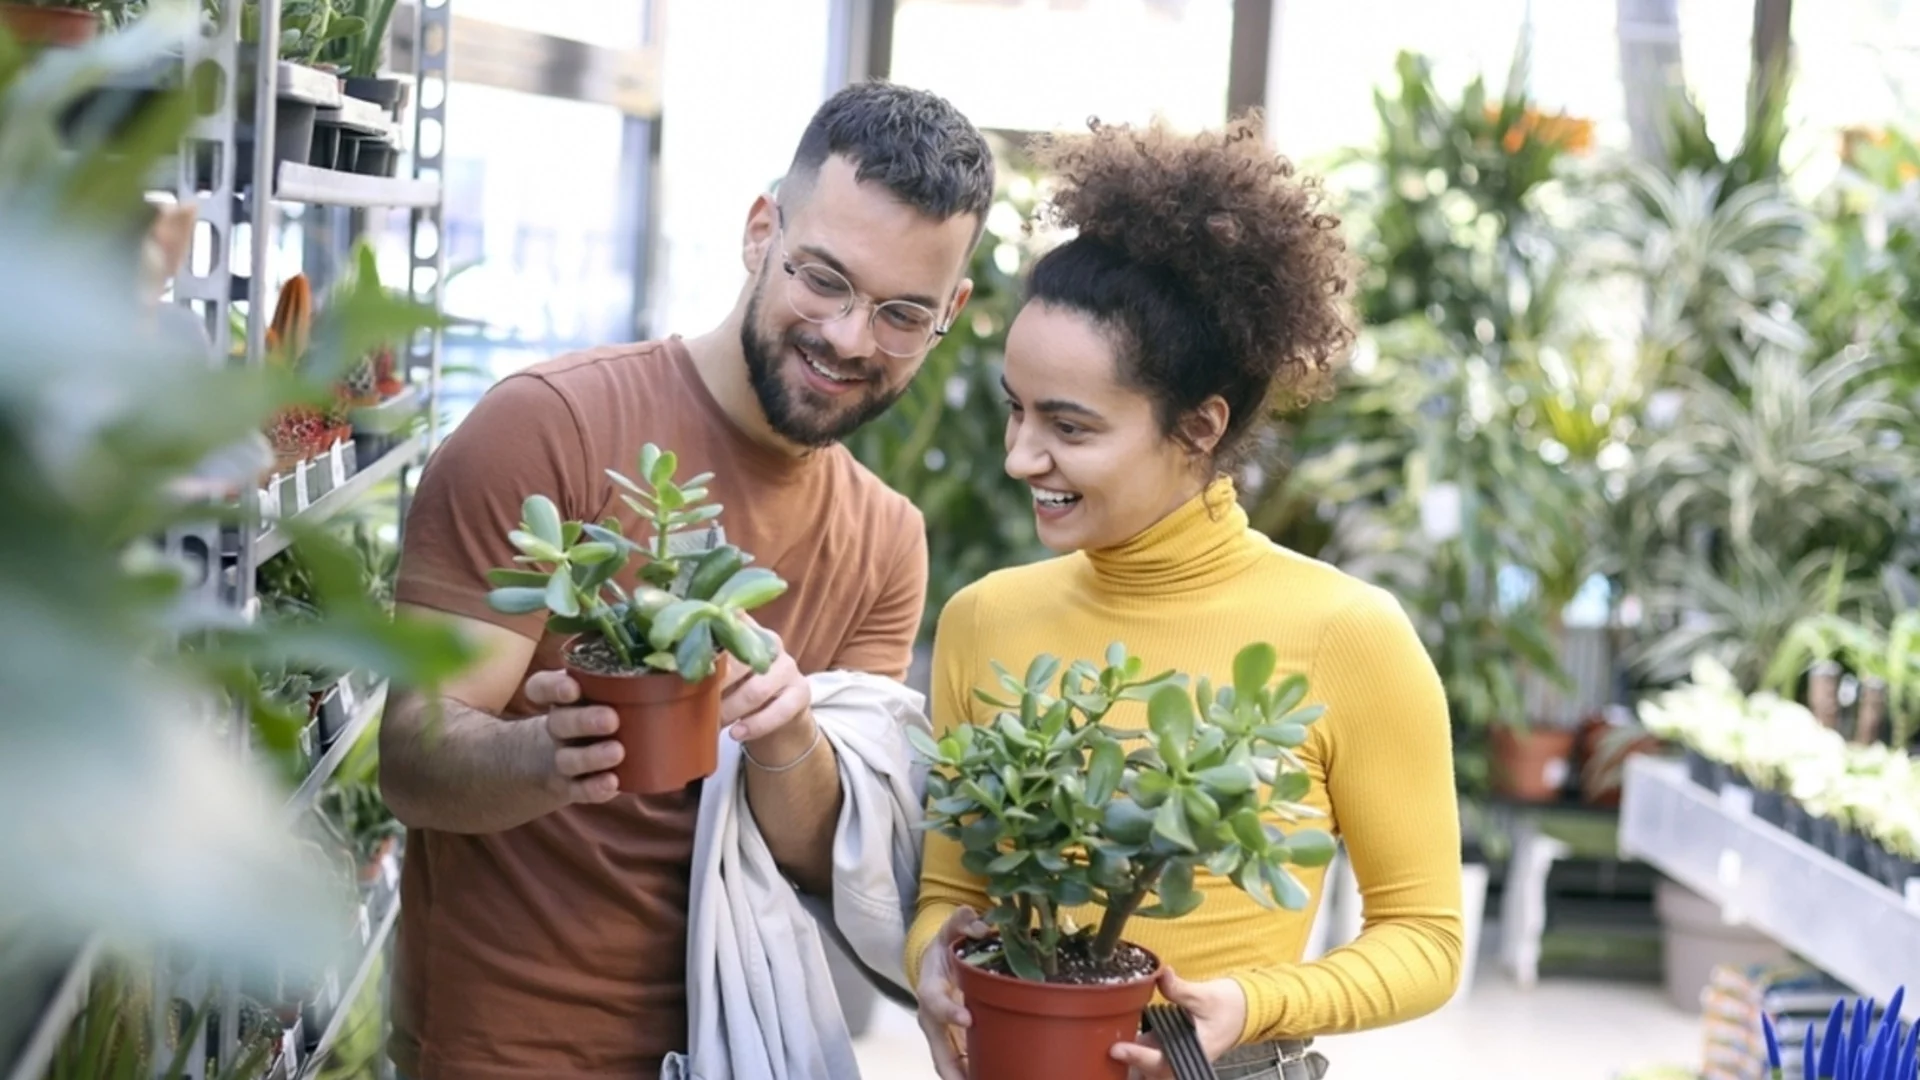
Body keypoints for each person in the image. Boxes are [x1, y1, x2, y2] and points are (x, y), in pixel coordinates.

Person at [378, 80, 994, 1080]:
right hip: (504, 1047)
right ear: (761, 231)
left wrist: (790, 733)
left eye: (900, 313)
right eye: (823, 278)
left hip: (738, 1043)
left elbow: (823, 861)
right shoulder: (550, 428)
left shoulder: (887, 541)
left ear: (950, 313)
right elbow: (412, 759)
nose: (848, 336)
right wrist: (546, 754)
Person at [906, 115, 1465, 1080]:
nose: (1020, 457)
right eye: (1015, 407)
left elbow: (1426, 938)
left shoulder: (1348, 636)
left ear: (1200, 425)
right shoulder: (985, 620)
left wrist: (1254, 1004)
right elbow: (953, 888)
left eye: (1070, 426)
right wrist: (934, 965)